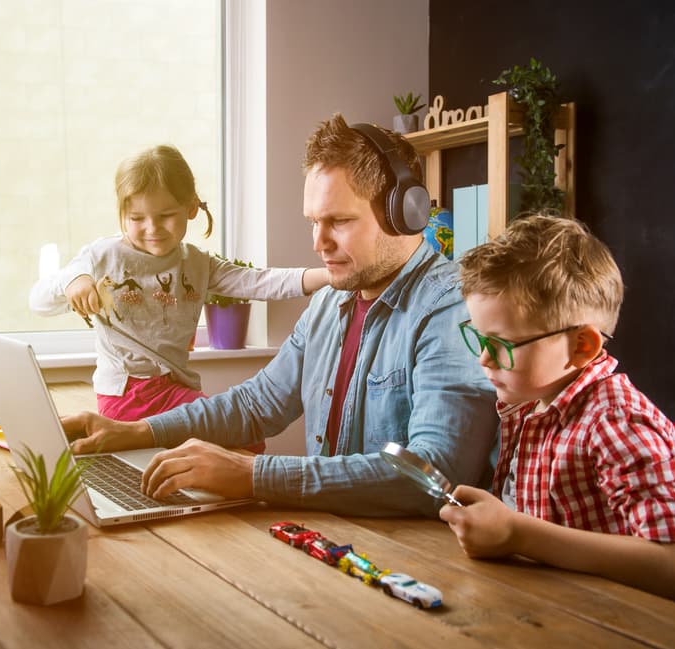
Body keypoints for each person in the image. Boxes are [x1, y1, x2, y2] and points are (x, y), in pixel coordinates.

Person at [61, 114, 499, 517]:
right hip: (334, 537)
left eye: (339, 221)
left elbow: (433, 473)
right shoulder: (332, 301)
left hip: (416, 560)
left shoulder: (452, 307)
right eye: (313, 221)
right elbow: (257, 405)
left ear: (405, 213)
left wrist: (253, 475)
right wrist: (134, 432)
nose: (318, 242)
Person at [439, 214, 675, 600]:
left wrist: (516, 533)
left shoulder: (615, 419)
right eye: (479, 338)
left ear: (582, 346)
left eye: (502, 344)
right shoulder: (531, 400)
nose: (484, 359)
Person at [30, 144, 329, 426]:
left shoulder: (197, 263)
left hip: (175, 387)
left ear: (191, 208)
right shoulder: (101, 257)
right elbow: (39, 301)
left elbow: (259, 282)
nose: (152, 228)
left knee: (242, 437)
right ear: (122, 214)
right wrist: (73, 280)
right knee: (232, 436)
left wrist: (328, 276)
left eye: (165, 215)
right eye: (136, 217)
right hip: (125, 394)